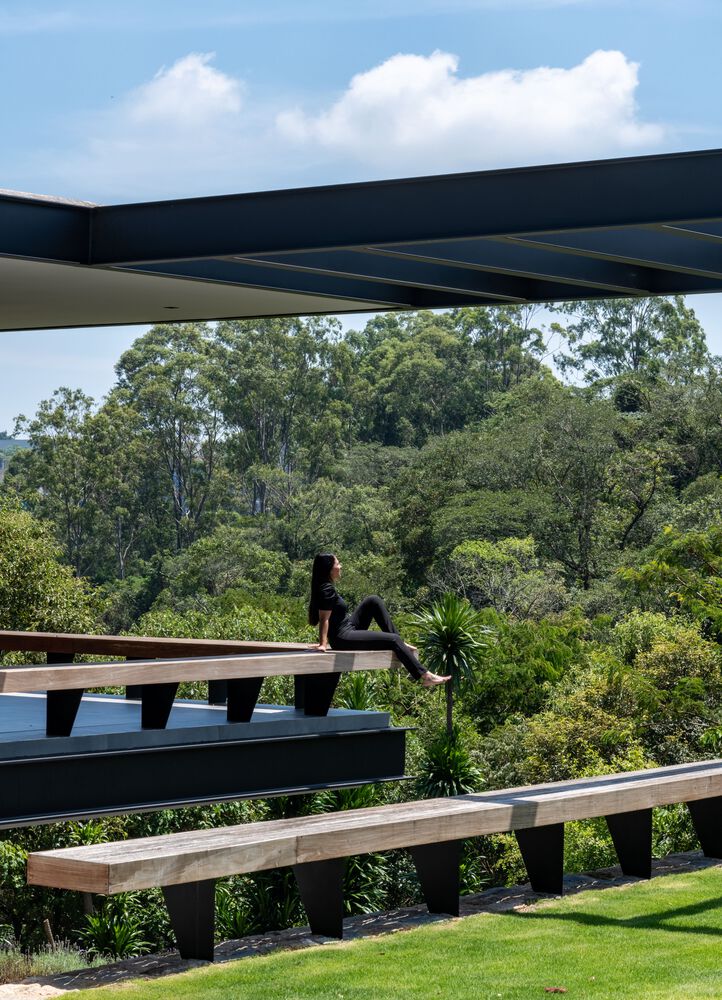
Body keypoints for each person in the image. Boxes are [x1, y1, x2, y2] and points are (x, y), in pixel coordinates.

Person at [308, 552, 450, 688]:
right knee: (393, 640)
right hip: (342, 637)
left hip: (347, 627)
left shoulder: (325, 586)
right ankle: (425, 676)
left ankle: (401, 643)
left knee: (373, 601)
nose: (340, 566)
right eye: (338, 563)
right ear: (329, 569)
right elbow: (324, 618)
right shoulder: (326, 589)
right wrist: (323, 644)